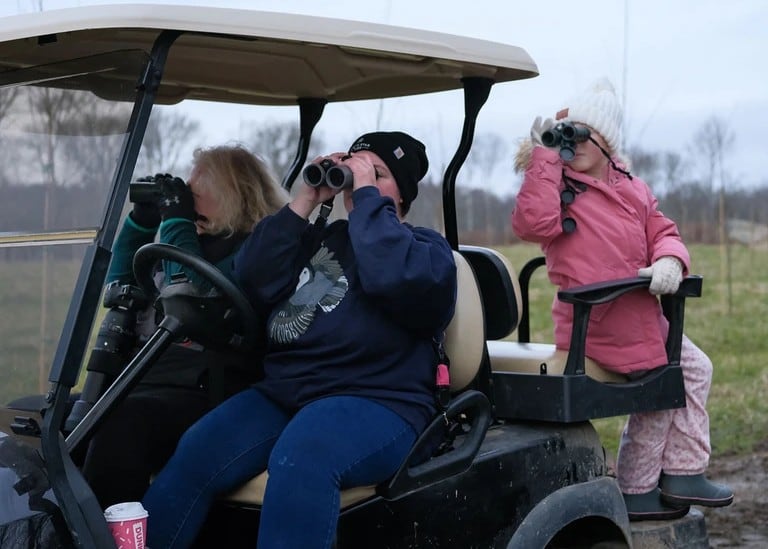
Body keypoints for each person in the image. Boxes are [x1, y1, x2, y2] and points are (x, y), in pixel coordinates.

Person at [142, 131, 457, 548]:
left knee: (304, 456)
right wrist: (305, 201)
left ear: (401, 194)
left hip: (380, 399)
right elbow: (253, 276)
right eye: (354, 171)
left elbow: (391, 275)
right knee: (199, 448)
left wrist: (366, 199)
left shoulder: (425, 250)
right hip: (288, 392)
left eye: (377, 175)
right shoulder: (319, 241)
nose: (359, 182)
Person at [510, 79, 733, 521]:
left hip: (639, 318)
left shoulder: (633, 189)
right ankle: (641, 486)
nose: (574, 141)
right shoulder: (557, 189)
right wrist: (543, 161)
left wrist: (670, 260)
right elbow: (531, 223)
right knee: (659, 387)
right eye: (566, 131)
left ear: (607, 141)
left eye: (583, 132)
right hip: (596, 324)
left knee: (691, 370)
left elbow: (663, 232)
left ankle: (676, 474)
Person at [80, 144, 289, 508]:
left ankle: (107, 536)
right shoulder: (191, 240)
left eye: (193, 194)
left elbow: (193, 298)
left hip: (211, 388)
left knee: (121, 423)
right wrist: (142, 222)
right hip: (150, 378)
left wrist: (176, 221)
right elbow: (120, 290)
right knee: (64, 419)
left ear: (232, 196)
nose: (186, 202)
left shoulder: (255, 251)